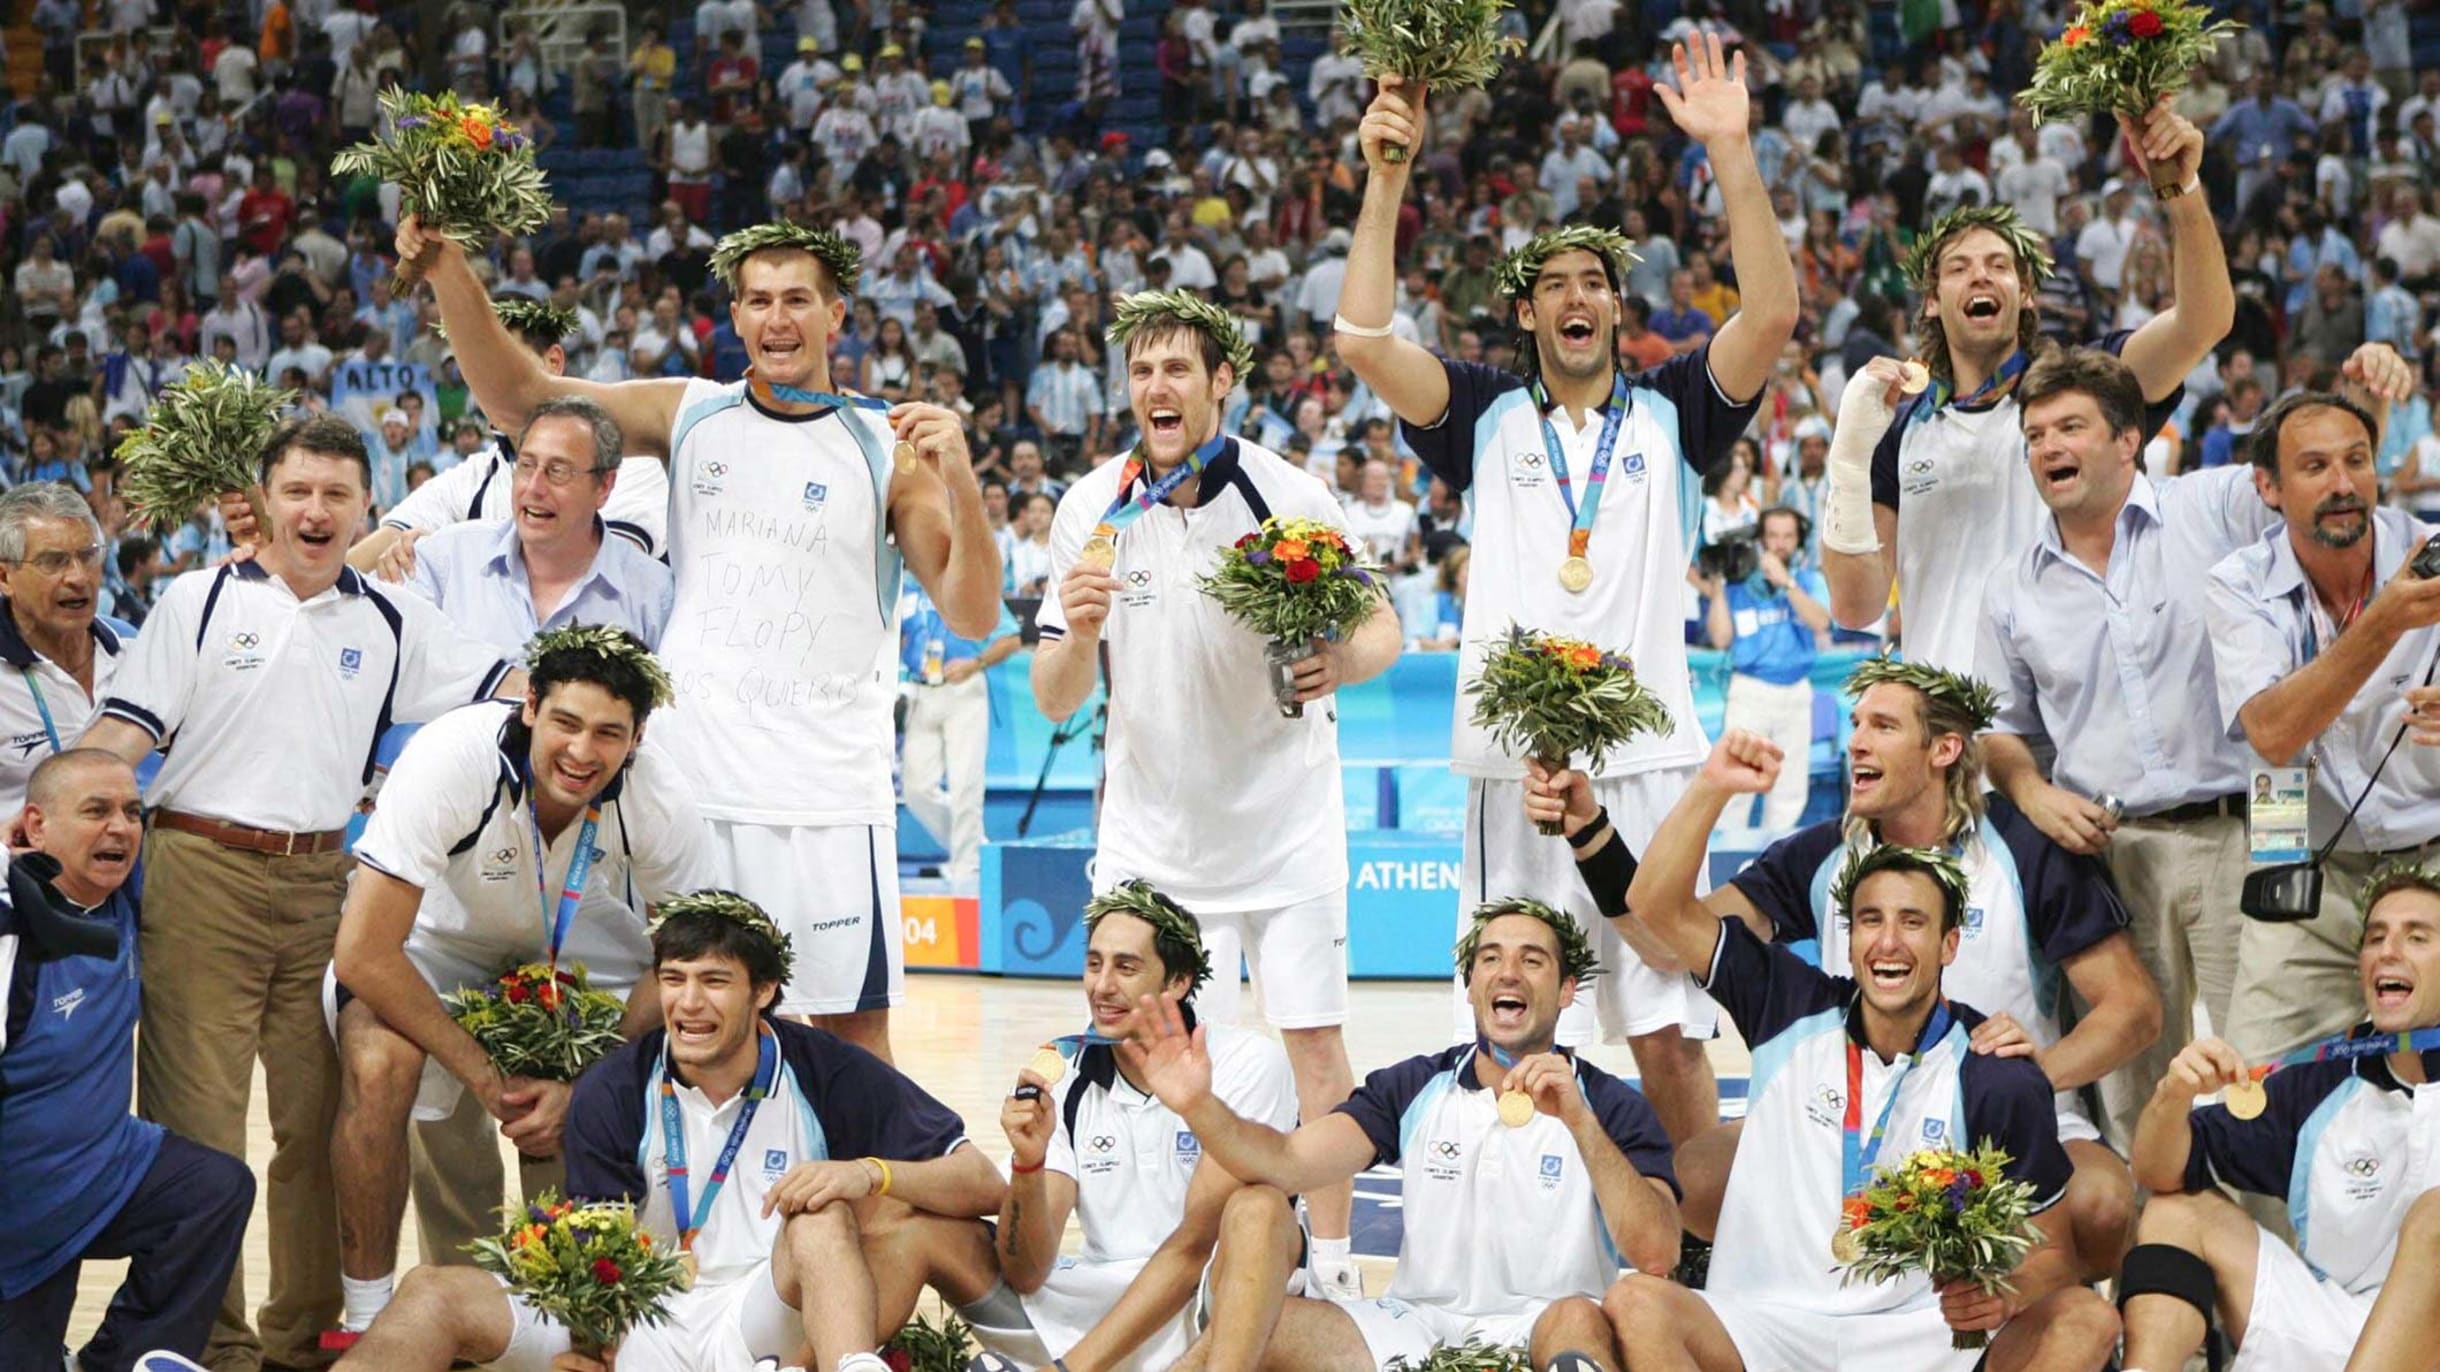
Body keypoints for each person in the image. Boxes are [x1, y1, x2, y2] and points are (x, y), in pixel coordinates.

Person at [1330, 38, 1800, 1146]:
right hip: (1515, 761)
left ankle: (1686, 1235)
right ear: (1529, 315)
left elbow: (1771, 316)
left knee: (1662, 1019)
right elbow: (1359, 336)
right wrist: (1387, 171)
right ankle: (1516, 1236)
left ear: (1614, 308)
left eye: (1594, 281)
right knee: (1512, 1008)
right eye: (1554, 286)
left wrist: (1730, 149)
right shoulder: (1482, 414)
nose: (1576, 297)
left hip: (1643, 759)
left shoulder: (1677, 409)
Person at [402, 213, 1004, 1062]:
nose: (777, 319)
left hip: (827, 800)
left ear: (837, 316)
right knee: (676, 1030)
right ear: (735, 315)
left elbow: (972, 614)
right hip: (692, 790)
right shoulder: (689, 413)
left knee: (854, 1045)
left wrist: (964, 483)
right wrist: (449, 269)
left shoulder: (887, 447)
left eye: (799, 299)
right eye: (757, 300)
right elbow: (522, 402)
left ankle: (856, 1196)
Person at [78, 415, 522, 1370]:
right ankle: (211, 1347)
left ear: (368, 505)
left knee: (319, 1130)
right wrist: (53, 813)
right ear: (265, 500)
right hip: (199, 873)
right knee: (196, 1128)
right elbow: (123, 734)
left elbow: (511, 686)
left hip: (329, 879)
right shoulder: (197, 599)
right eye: (298, 491)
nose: (315, 511)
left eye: (336, 494)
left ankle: (302, 1342)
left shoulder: (396, 619)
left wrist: (620, 692)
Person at [1031, 290, 1401, 1298]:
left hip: (1284, 825)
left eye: (1178, 369)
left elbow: (1381, 629)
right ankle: (1148, 1256)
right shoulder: (1090, 512)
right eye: (1142, 369)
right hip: (1151, 836)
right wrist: (1074, 626)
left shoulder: (1287, 494)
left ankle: (1325, 1264)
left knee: (1314, 1046)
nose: (1158, 386)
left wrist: (1340, 657)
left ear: (1220, 382)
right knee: (1144, 1047)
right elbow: (1056, 697)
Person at [1975, 348, 2410, 1151]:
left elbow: (2323, 486)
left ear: (2127, 440)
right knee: (2137, 1081)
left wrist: (2361, 392)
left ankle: (2273, 1256)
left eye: (2069, 426)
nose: (2048, 448)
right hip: (2111, 852)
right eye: (2034, 435)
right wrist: (2032, 794)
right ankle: (2155, 1256)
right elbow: (2001, 729)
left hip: (2250, 826)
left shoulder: (2212, 506)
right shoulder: (2011, 585)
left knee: (2265, 1069)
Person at [1620, 654, 2158, 1280]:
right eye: (1854, 724)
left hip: (1996, 1110)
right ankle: (1792, 1295)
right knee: (1692, 1177)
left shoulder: (2023, 849)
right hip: (1845, 1114)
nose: (1855, 742)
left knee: (2101, 1204)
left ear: (1945, 749)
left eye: (1882, 726)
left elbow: (2134, 1010)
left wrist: (2032, 1078)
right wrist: (1710, 787)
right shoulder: (1823, 852)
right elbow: (1663, 934)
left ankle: (2031, 1323)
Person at [1598, 738, 2121, 1370]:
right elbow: (1656, 906)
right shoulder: (1784, 1004)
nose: (1888, 941)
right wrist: (1714, 784)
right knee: (1637, 1303)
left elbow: (2053, 1253)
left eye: (1913, 922)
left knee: (2084, 1318)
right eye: (1870, 920)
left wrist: (2002, 1295)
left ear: (1950, 944)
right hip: (1770, 1324)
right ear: (1848, 940)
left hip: (1923, 1336)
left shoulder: (1994, 1072)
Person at [332, 893, 1006, 1372]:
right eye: (674, 980)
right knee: (431, 1294)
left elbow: (983, 1183)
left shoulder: (826, 1069)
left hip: (759, 1311)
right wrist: (593, 1346)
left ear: (764, 991)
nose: (688, 1003)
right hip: (640, 1321)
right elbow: (603, 1262)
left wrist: (869, 1172)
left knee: (820, 1214)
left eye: (715, 981)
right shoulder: (614, 1088)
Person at [321, 626, 721, 1345]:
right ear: (529, 704)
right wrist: (484, 1075)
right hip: (429, 946)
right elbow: (362, 954)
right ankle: (368, 1322)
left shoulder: (658, 797)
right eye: (566, 722)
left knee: (628, 1071)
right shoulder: (453, 757)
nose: (582, 751)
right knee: (380, 1064)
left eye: (608, 733)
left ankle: (576, 1327)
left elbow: (691, 955)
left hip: (569, 951)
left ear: (636, 739)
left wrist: (592, 1080)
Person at [1124, 897, 1682, 1371]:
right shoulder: (1414, 1085)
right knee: (1248, 1327)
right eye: (1491, 958)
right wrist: (1197, 1104)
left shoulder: (1611, 1107)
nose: (1507, 971)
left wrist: (1580, 1122)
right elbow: (1288, 1162)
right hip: (1416, 1327)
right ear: (1470, 988)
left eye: (1531, 960)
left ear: (1565, 991)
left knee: (1580, 1318)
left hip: (1543, 1324)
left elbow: (1656, 1251)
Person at [1818, 99, 2234, 676]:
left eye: (1999, 264)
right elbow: (1855, 605)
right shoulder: (1900, 431)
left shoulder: (2082, 390)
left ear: (2027, 292)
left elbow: (2203, 322)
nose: (1981, 275)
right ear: (1933, 302)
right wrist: (1849, 455)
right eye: (1959, 267)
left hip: (2073, 721)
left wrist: (2181, 190)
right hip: (1946, 732)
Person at [859, 882, 1300, 1372]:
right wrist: (1029, 1163)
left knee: (1259, 1208)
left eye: (1126, 967)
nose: (1102, 986)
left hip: (1212, 1310)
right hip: (1097, 1305)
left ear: (1177, 981)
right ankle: (834, 1362)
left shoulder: (1248, 1064)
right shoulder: (1063, 1071)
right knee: (910, 1225)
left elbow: (1193, 1248)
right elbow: (1027, 1273)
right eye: (1094, 964)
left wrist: (1069, 1370)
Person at [2117, 864, 2440, 1372]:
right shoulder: (2322, 1083)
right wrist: (2172, 1094)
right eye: (2375, 938)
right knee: (2176, 1213)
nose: (2388, 951)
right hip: (2335, 1332)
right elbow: (2159, 1170)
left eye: (2416, 937)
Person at [2205, 387, 2440, 1068]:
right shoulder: (2238, 583)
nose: (2342, 486)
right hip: (2302, 861)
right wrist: (2388, 619)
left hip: (2431, 850)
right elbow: (2274, 733)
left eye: (2356, 461)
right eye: (2314, 468)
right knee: (2254, 1083)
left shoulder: (2431, 551)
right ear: (2268, 487)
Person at [0, 751, 253, 1369]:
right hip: (16, 1216)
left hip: (108, 1170)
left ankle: (126, 1361)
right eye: (96, 811)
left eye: (131, 812)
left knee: (215, 1189)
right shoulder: (10, 931)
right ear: (34, 827)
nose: (121, 827)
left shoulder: (127, 894)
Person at [344, 297, 670, 577]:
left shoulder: (631, 459)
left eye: (506, 363)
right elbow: (384, 542)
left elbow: (592, 577)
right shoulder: (476, 475)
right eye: (477, 367)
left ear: (554, 361)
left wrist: (446, 555)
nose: (491, 382)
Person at [404, 396, 676, 655]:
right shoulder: (445, 561)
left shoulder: (655, 595)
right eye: (526, 466)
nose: (534, 488)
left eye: (557, 471)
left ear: (604, 486)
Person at [0, 483, 129, 819]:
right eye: (53, 561)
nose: (78, 577)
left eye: (89, 556)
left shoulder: (132, 647)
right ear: (4, 576)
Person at [1704, 505, 1829, 830]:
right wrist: (1718, 588)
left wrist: (1786, 583)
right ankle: (1728, 857)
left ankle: (1781, 859)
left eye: (1788, 536)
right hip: (1750, 690)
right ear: (1761, 540)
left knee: (1790, 788)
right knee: (1736, 784)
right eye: (1773, 536)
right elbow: (1720, 639)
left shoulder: (1807, 580)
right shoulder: (1739, 584)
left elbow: (1820, 622)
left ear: (1799, 540)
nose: (1780, 543)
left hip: (1796, 690)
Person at [898, 579, 1020, 884]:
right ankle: (976, 847)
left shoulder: (968, 581)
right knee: (916, 790)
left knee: (966, 784)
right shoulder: (902, 586)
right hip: (918, 690)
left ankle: (968, 870)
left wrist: (975, 663)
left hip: (963, 691)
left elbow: (1011, 639)